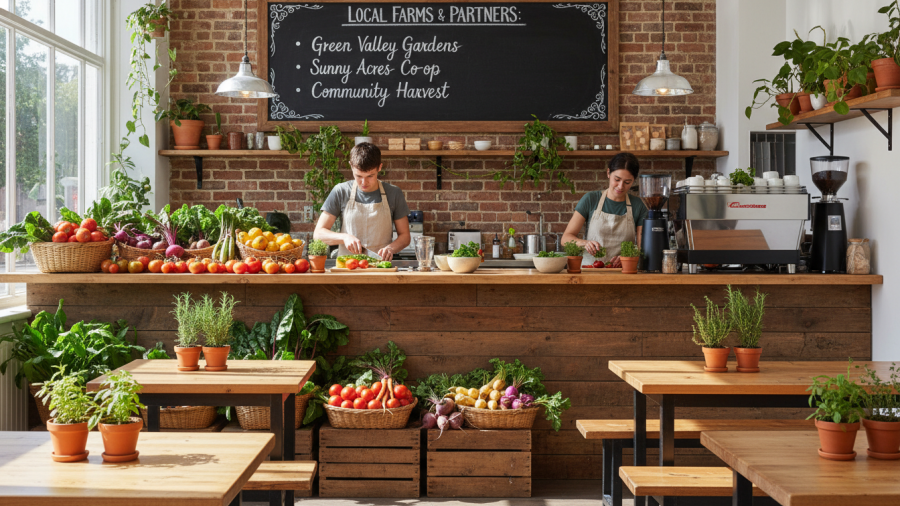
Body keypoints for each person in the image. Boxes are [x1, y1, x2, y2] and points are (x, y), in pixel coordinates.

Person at [313, 142, 411, 260]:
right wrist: (344, 237)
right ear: (351, 166)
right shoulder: (341, 191)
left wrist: (391, 248)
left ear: (380, 167)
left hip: (380, 266)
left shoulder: (394, 193)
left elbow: (405, 236)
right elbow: (318, 234)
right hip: (348, 266)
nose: (364, 183)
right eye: (358, 176)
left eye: (370, 176)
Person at [561, 153, 648, 268]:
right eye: (617, 179)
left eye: (627, 182)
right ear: (608, 173)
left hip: (623, 272)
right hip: (591, 271)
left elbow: (643, 247)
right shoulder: (591, 199)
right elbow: (566, 238)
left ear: (633, 181)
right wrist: (584, 243)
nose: (620, 186)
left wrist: (628, 257)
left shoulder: (638, 205)